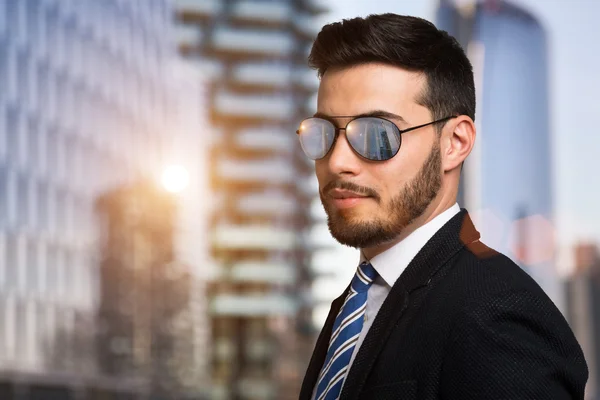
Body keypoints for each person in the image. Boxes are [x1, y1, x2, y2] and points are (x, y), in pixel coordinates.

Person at [296, 13, 588, 400]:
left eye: (377, 135)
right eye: (324, 133)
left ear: (455, 142)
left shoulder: (494, 315)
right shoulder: (353, 305)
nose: (337, 162)